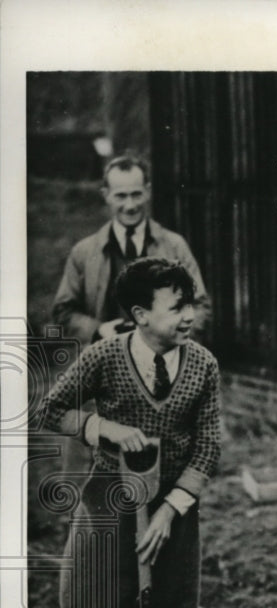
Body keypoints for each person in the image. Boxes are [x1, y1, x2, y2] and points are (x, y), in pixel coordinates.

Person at [41, 258, 221, 608]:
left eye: (190, 304)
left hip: (173, 514)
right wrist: (106, 428)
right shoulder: (104, 358)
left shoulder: (203, 366)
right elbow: (53, 410)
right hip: (107, 508)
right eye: (176, 306)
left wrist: (170, 511)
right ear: (141, 314)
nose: (188, 315)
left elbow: (209, 445)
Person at [52, 154, 211, 475]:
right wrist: (99, 331)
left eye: (136, 194)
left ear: (148, 192)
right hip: (101, 372)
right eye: (120, 195)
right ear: (106, 196)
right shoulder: (85, 252)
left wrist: (163, 336)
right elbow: (63, 311)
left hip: (160, 377)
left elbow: (201, 307)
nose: (129, 205)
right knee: (93, 478)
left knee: (162, 473)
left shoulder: (174, 248)